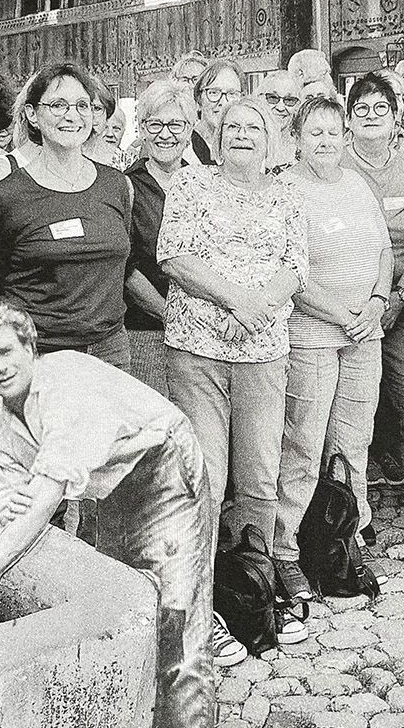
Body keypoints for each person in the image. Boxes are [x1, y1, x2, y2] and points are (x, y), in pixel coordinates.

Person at [0, 301, 216, 726]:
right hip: (112, 488)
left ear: (29, 348)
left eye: (6, 351)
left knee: (177, 618)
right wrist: (4, 502)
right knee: (129, 609)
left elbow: (45, 496)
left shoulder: (65, 382)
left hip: (163, 466)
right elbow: (8, 494)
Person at [156, 95, 309, 650]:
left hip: (264, 353)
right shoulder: (192, 186)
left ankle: (253, 588)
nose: (242, 133)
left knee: (260, 476)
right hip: (199, 351)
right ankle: (197, 606)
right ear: (216, 137)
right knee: (208, 478)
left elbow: (296, 266)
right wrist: (237, 300)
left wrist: (259, 305)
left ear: (272, 140)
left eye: (255, 127)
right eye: (232, 126)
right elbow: (173, 256)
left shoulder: (287, 195)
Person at [271, 96, 393, 600]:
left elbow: (385, 249)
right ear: (296, 139)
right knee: (301, 447)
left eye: (332, 132)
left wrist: (378, 302)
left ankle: (343, 538)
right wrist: (344, 315)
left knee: (352, 444)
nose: (325, 141)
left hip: (364, 335)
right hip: (312, 337)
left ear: (345, 138)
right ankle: (285, 549)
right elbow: (289, 275)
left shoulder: (357, 184)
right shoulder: (286, 190)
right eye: (314, 132)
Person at [0, 62, 132, 367]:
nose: (72, 115)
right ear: (32, 114)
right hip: (36, 353)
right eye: (58, 105)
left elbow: (122, 262)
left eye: (82, 105)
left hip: (109, 352)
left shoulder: (116, 185)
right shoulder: (8, 195)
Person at [341, 73, 404, 523]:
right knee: (346, 406)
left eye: (382, 108)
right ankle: (341, 496)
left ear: (396, 118)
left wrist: (399, 295)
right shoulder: (335, 165)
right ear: (349, 120)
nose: (372, 116)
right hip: (347, 304)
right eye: (362, 109)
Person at [125, 81, 197, 397]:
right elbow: (124, 267)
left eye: (176, 125)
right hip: (146, 333)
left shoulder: (204, 183)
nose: (165, 134)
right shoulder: (125, 186)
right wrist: (168, 312)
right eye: (155, 124)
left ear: (190, 129)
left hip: (200, 332)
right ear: (141, 128)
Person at [188, 59, 246, 165]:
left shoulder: (245, 147)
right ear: (199, 99)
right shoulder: (185, 150)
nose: (223, 102)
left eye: (232, 94)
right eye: (214, 92)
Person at [258, 70, 303, 173]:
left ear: (297, 106)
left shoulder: (303, 148)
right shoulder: (249, 143)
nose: (280, 107)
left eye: (289, 100)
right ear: (261, 99)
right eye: (273, 98)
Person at [84, 81, 127, 169]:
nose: (91, 115)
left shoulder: (123, 160)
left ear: (107, 115)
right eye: (83, 106)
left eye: (97, 108)